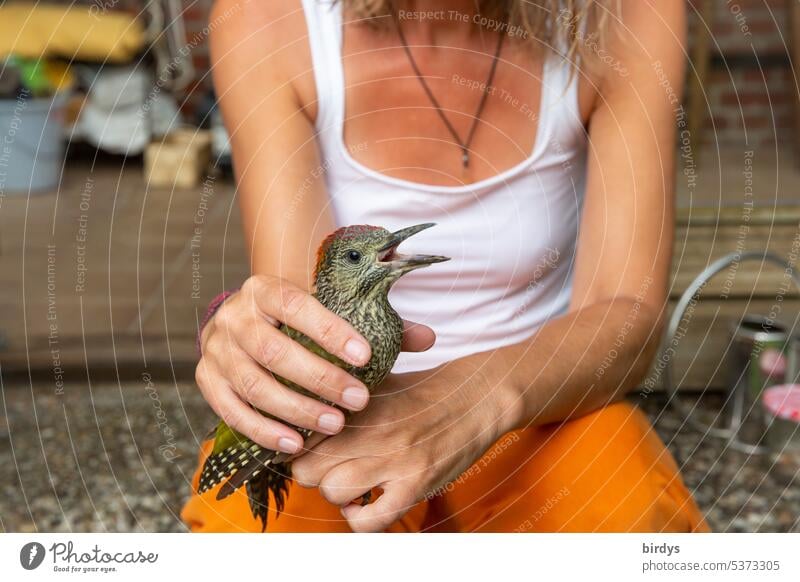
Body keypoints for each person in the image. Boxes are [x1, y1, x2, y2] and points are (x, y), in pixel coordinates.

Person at [181, 0, 709, 533]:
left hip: (545, 403)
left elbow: (629, 319)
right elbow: (303, 309)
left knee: (625, 520)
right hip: (351, 419)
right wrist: (250, 339)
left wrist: (473, 398)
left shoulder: (624, 14)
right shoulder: (265, 16)